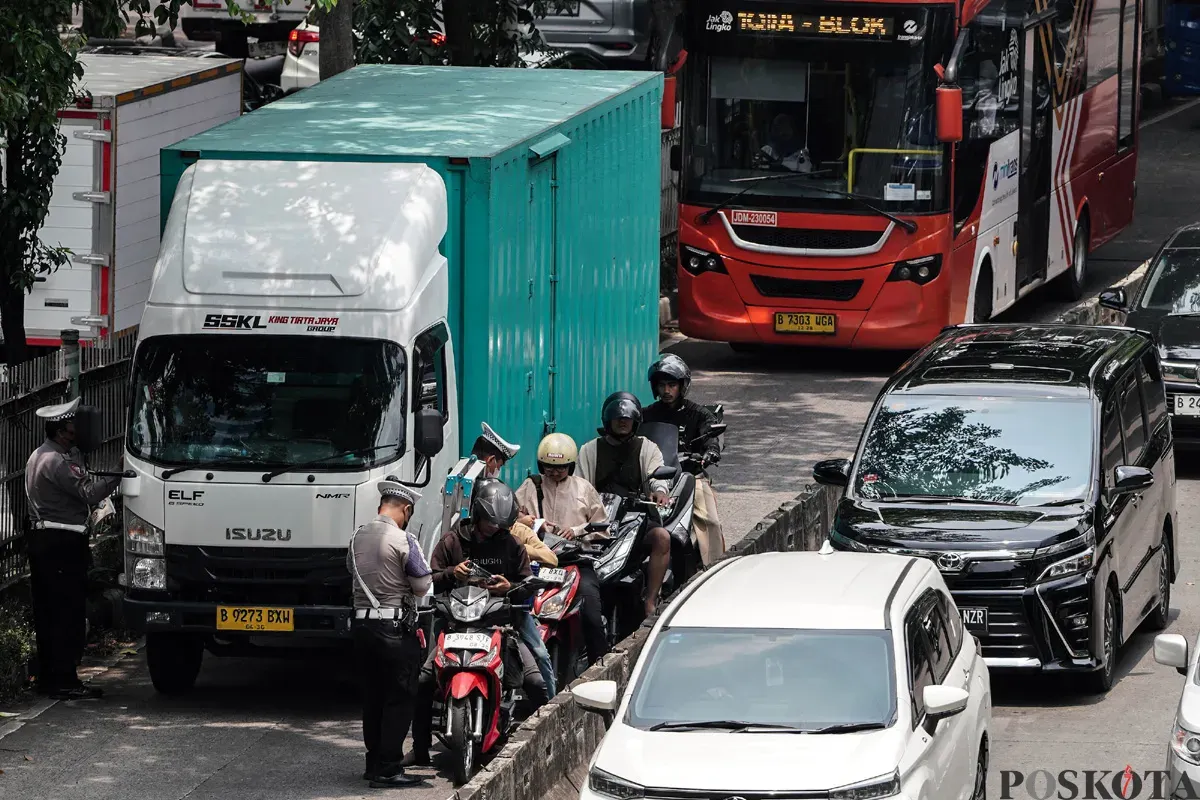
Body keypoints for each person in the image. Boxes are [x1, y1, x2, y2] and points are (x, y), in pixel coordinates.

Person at [406, 479, 548, 767]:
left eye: (501, 525)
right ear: (478, 516)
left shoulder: (513, 545)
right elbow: (429, 579)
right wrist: (451, 573)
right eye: (490, 523)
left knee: (535, 681)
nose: (495, 530)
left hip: (500, 628)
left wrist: (510, 586)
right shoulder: (452, 541)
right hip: (456, 627)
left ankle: (545, 745)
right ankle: (420, 748)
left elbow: (527, 582)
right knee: (422, 681)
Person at [24, 397, 120, 700]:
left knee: (49, 613)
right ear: (62, 431)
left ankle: (50, 678)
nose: (78, 430)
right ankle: (64, 680)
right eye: (73, 426)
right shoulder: (58, 461)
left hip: (45, 542)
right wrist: (117, 472)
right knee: (67, 613)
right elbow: (90, 493)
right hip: (62, 544)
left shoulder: (39, 455)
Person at [347, 477, 432, 788]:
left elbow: (350, 572)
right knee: (399, 697)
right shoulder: (404, 540)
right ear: (406, 510)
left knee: (373, 696)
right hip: (393, 629)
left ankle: (373, 764)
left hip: (361, 627)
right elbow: (423, 585)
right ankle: (389, 768)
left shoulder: (356, 536)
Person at [515, 433, 609, 666]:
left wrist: (576, 531)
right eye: (549, 468)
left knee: (592, 616)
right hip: (539, 562)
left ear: (571, 466)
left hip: (575, 562)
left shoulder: (583, 489)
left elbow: (602, 528)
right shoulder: (531, 485)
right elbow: (513, 517)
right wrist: (533, 522)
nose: (554, 472)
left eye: (560, 468)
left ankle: (601, 666)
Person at [577, 393, 672, 619]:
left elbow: (656, 474)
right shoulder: (589, 450)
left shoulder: (647, 448)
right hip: (600, 519)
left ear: (635, 421)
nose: (622, 422)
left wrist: (659, 491)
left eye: (627, 419)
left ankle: (650, 600)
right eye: (617, 418)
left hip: (635, 518)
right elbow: (579, 486)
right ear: (607, 421)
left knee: (662, 538)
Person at [643, 354, 727, 566]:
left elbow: (711, 436)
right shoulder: (646, 415)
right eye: (661, 385)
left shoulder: (697, 414)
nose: (666, 391)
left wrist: (710, 452)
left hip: (690, 476)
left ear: (682, 386)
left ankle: (713, 568)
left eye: (672, 385)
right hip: (654, 477)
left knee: (710, 522)